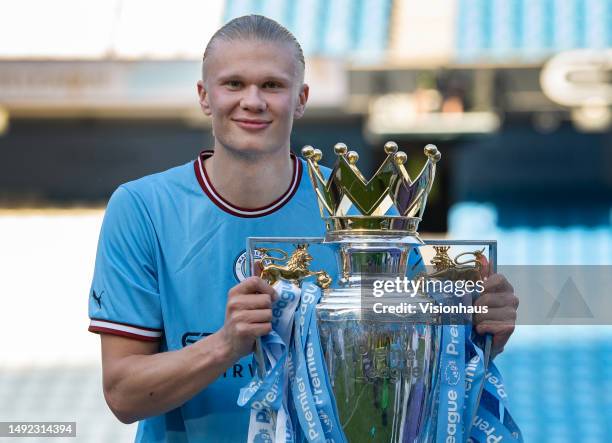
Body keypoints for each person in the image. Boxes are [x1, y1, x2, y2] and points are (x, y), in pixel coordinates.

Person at [88, 15, 518, 442]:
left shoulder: (362, 216)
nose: (253, 101)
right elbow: (123, 394)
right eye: (233, 84)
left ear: (301, 98)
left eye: (272, 85)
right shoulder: (142, 208)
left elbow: (400, 371)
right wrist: (225, 345)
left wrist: (473, 334)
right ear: (204, 96)